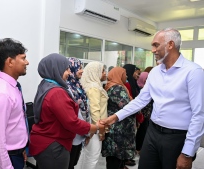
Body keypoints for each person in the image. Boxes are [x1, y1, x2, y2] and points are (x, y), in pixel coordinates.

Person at [100, 28, 204, 169]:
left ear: (170, 45)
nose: (152, 50)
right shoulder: (155, 72)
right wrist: (115, 117)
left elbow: (199, 115)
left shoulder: (193, 72)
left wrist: (187, 153)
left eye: (156, 45)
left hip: (177, 137)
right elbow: (141, 100)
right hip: (153, 133)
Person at [29, 53, 105, 169]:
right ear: (56, 69)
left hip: (45, 141)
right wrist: (95, 127)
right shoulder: (57, 92)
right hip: (53, 145)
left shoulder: (45, 84)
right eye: (66, 69)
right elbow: (72, 122)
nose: (69, 72)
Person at [0, 38, 29, 169]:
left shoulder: (12, 87)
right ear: (10, 61)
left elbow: (15, 124)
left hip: (14, 154)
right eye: (23, 58)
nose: (27, 62)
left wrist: (20, 148)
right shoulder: (1, 93)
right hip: (3, 159)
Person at [101, 67, 136, 169]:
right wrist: (136, 104)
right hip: (118, 131)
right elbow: (127, 107)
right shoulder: (117, 89)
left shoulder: (111, 86)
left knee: (116, 159)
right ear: (119, 75)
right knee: (115, 159)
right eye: (124, 74)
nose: (126, 76)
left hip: (117, 129)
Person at [76, 61, 108, 169]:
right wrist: (100, 131)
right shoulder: (94, 87)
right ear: (95, 72)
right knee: (92, 157)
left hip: (91, 126)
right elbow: (95, 111)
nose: (105, 73)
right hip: (95, 128)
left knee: (85, 156)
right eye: (102, 70)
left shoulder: (88, 85)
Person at [67, 57, 90, 169]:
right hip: (73, 132)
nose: (82, 70)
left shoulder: (77, 85)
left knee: (73, 162)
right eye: (79, 68)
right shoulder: (67, 87)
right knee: (69, 163)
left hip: (81, 130)